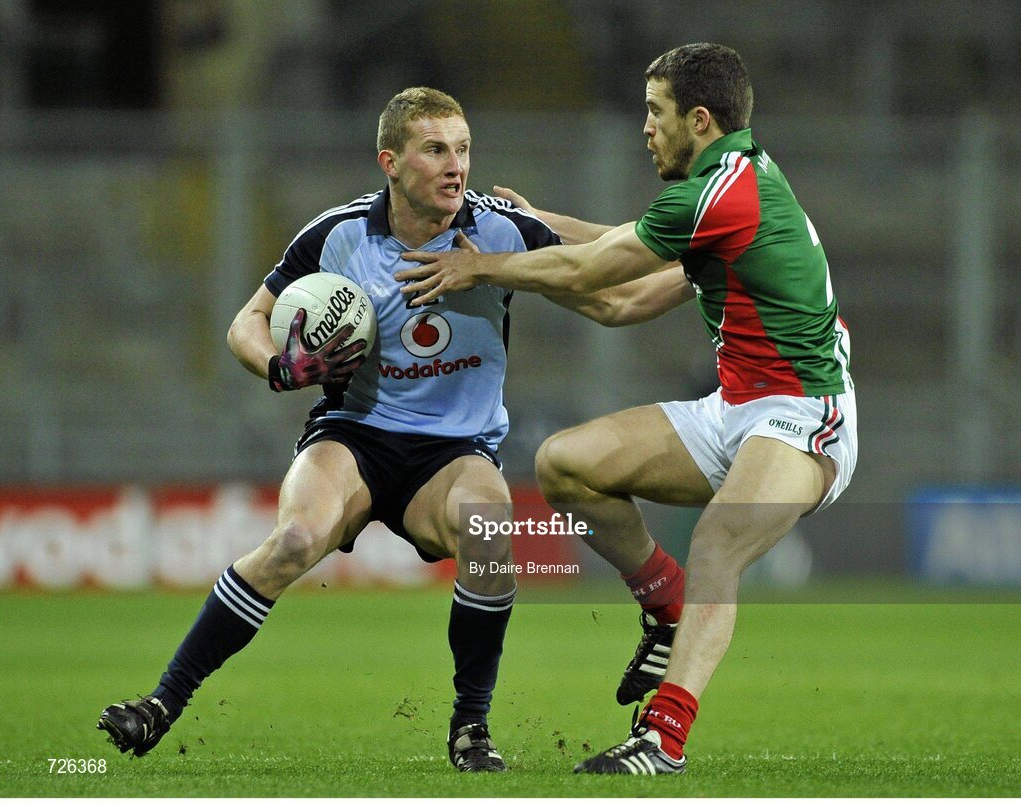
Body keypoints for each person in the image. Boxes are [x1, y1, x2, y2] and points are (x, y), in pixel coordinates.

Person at [97, 86, 629, 773]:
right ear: (390, 161)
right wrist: (279, 369)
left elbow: (607, 265)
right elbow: (245, 323)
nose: (455, 165)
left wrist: (681, 252)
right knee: (291, 540)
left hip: (454, 449)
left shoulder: (499, 230)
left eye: (463, 149)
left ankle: (471, 726)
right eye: (435, 149)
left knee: (490, 525)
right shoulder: (337, 234)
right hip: (354, 434)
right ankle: (162, 701)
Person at [395, 44, 857, 776]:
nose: (645, 128)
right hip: (734, 407)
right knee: (567, 465)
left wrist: (479, 263)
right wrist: (537, 220)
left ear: (698, 119)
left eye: (655, 111)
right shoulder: (721, 184)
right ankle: (667, 606)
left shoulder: (723, 192)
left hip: (804, 412)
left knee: (717, 543)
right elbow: (621, 292)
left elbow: (597, 271)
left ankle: (663, 738)